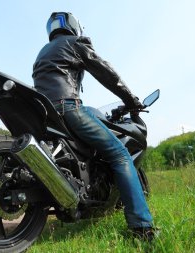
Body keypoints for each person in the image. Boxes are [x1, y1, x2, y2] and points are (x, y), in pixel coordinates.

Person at [32, 12, 157, 240]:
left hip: (46, 115)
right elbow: (106, 72)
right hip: (68, 109)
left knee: (90, 111)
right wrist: (130, 100)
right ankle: (142, 226)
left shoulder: (43, 52)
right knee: (120, 155)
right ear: (74, 26)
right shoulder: (75, 43)